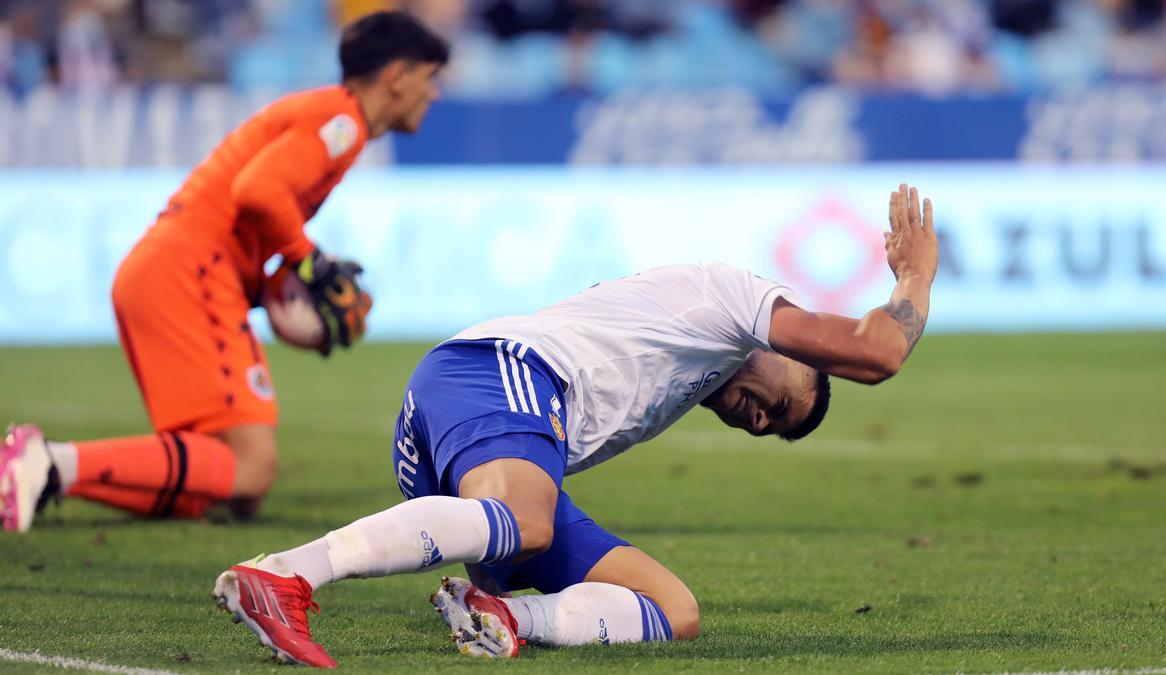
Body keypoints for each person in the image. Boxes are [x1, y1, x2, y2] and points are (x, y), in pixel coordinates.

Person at [212, 185, 937, 668]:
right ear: (785, 347)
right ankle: (284, 574)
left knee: (672, 609)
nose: (757, 421)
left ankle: (503, 613)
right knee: (525, 519)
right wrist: (915, 278)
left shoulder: (692, 372)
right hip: (492, 374)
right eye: (779, 404)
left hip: (485, 442)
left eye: (767, 430)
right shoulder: (734, 299)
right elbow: (878, 352)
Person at [0, 11, 449, 533]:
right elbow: (257, 191)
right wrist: (310, 262)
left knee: (213, 483)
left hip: (167, 270)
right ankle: (47, 461)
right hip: (189, 273)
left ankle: (45, 475)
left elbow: (244, 211)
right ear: (396, 76)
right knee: (250, 467)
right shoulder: (342, 120)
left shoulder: (328, 117)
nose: (434, 94)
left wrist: (277, 287)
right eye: (429, 77)